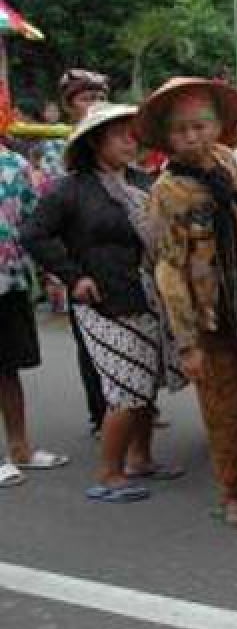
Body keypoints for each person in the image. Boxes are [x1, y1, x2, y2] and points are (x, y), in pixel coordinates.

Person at [21, 103, 184, 503]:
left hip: (146, 295)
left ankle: (140, 459)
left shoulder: (143, 183)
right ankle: (109, 472)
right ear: (96, 141)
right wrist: (74, 277)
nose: (131, 141)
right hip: (103, 302)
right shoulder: (71, 189)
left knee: (146, 382)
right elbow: (35, 234)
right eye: (119, 134)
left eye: (133, 133)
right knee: (126, 388)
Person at [143, 77, 237, 529]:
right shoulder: (168, 191)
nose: (191, 137)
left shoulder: (226, 161)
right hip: (209, 313)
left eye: (200, 125)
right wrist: (187, 342)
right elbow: (168, 268)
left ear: (217, 125)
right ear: (167, 137)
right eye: (180, 130)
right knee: (224, 402)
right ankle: (232, 491)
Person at [0, 132, 69, 490]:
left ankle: (19, 449)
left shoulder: (14, 164)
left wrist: (51, 268)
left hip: (9, 281)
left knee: (9, 368)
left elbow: (33, 221)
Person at [57, 69, 112, 435]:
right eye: (84, 98)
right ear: (68, 105)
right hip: (80, 255)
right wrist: (61, 271)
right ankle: (101, 414)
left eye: (98, 97)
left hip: (120, 259)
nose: (93, 104)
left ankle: (134, 408)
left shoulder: (119, 143)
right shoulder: (56, 150)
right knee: (90, 342)